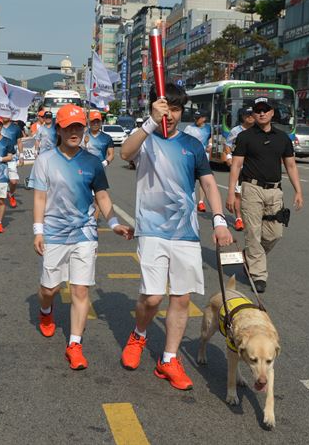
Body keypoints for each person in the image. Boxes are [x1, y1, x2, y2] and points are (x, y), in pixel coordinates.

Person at [119, 83, 233, 391]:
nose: (170, 114)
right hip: (152, 229)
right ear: (155, 108)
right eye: (164, 108)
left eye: (176, 109)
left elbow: (209, 184)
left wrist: (220, 221)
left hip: (185, 232)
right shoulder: (145, 138)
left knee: (181, 298)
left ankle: (168, 359)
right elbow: (124, 153)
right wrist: (150, 123)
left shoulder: (192, 145)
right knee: (153, 297)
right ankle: (139, 335)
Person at [32, 104, 133, 370]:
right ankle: (45, 311)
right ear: (59, 129)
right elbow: (40, 197)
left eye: (79, 126)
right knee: (49, 290)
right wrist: (38, 231)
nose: (74, 132)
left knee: (80, 289)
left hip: (85, 232)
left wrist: (113, 223)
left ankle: (75, 344)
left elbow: (101, 196)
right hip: (54, 232)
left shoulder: (91, 162)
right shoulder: (45, 160)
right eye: (69, 127)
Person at [226, 97, 304, 294]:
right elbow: (235, 165)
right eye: (257, 110)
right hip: (251, 189)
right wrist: (230, 192)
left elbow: (291, 165)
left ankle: (250, 256)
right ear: (253, 114)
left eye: (265, 110)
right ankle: (259, 275)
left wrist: (298, 191)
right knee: (253, 232)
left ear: (272, 113)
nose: (261, 113)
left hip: (275, 191)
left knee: (275, 233)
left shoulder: (283, 138)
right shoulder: (245, 137)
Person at [224, 107, 256, 231]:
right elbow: (227, 145)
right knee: (238, 194)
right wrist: (228, 157)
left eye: (251, 114)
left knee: (251, 194)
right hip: (239, 167)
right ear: (242, 117)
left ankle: (251, 217)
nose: (250, 117)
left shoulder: (257, 130)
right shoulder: (236, 131)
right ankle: (239, 219)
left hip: (253, 167)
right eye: (247, 115)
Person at [183, 111, 212, 212]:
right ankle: (189, 199)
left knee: (203, 179)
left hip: (204, 157)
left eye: (198, 118)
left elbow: (210, 138)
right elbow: (184, 141)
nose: (196, 119)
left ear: (204, 118)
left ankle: (201, 202)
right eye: (195, 117)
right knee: (191, 179)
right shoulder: (189, 128)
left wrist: (210, 145)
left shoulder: (208, 128)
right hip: (190, 156)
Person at [0, 116, 24, 208]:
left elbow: (19, 142)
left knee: (13, 182)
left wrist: (21, 156)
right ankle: (0, 203)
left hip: (12, 157)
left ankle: (11, 194)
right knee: (0, 181)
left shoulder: (16, 128)